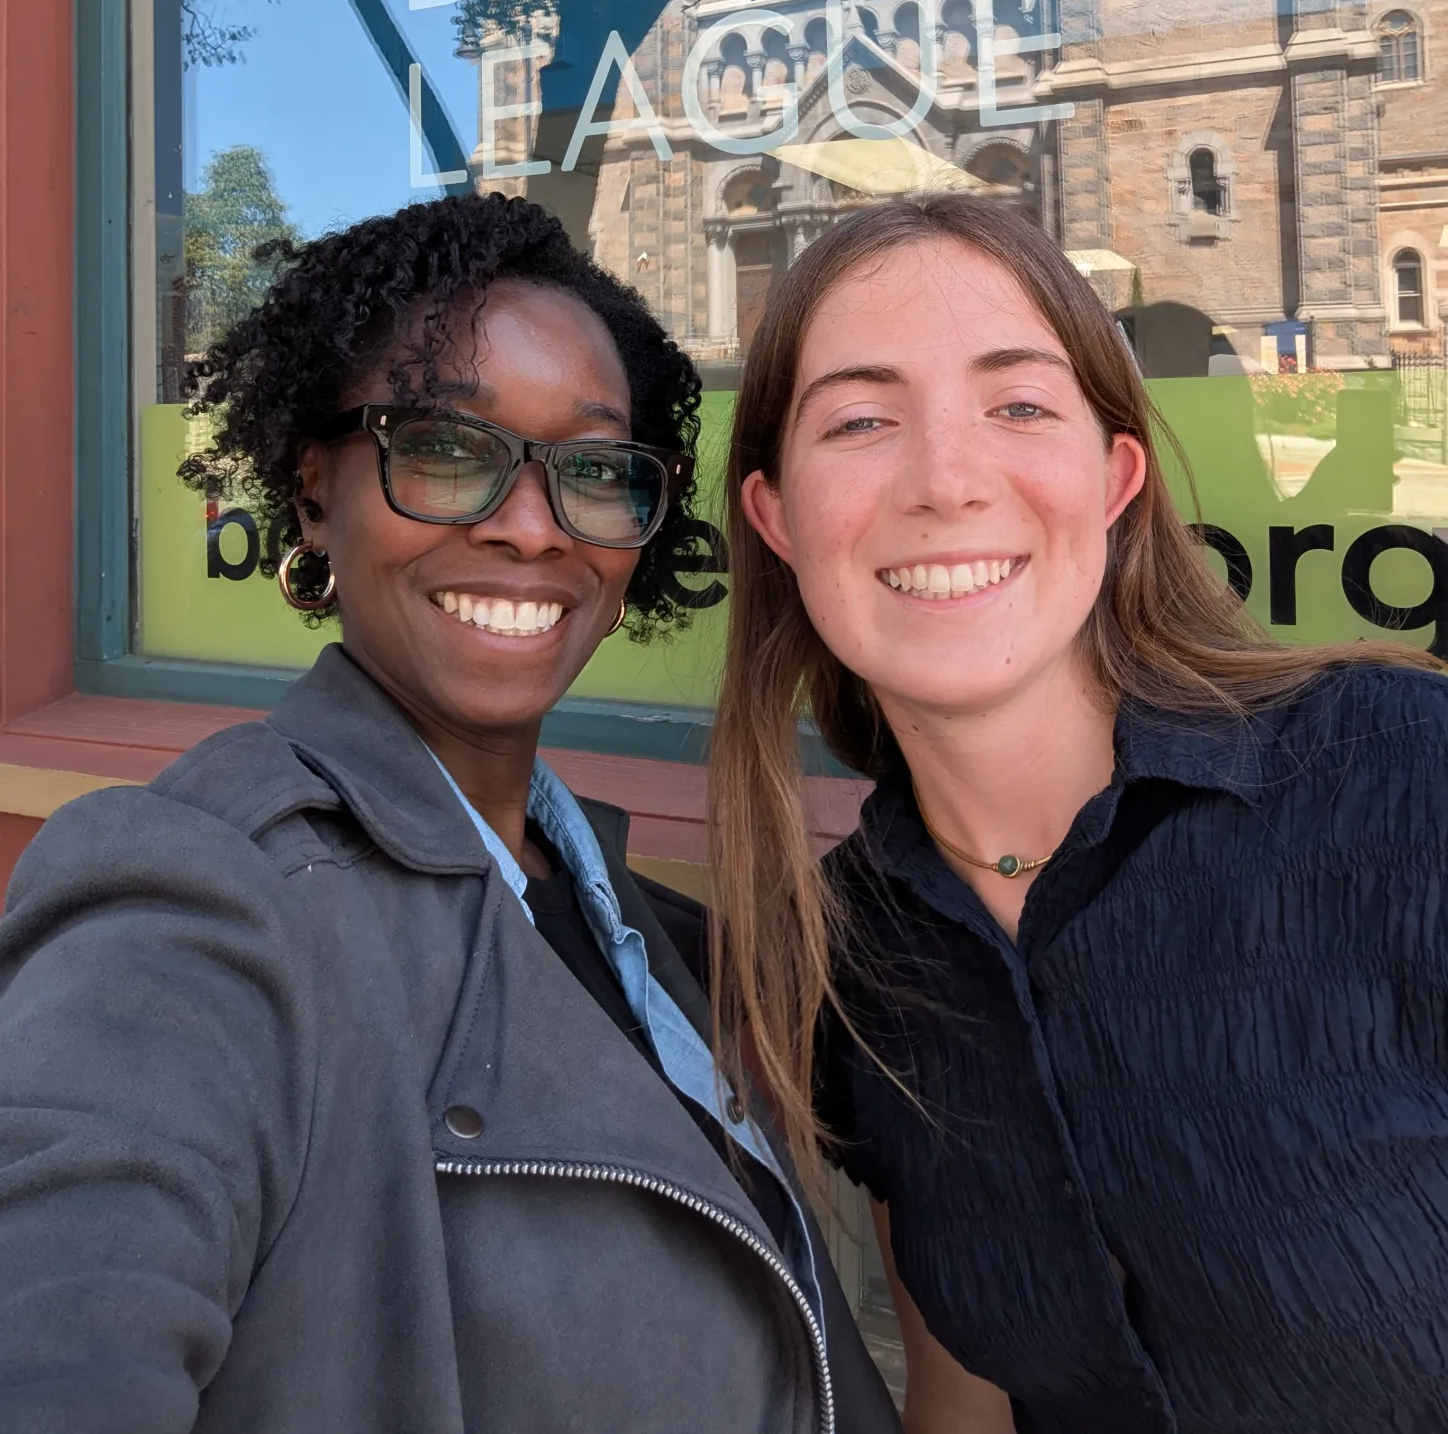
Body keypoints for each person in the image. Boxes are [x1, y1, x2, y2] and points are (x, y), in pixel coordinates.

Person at [706, 193, 1448, 1434]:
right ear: (775, 519)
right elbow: (966, 1400)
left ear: (1115, 478)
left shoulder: (1431, 788)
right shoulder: (858, 952)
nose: (946, 481)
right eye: (860, 421)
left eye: (1018, 406)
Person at [0, 195, 895, 1434]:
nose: (530, 529)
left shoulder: (609, 910)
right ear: (315, 494)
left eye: (590, 470)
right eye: (445, 449)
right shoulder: (196, 897)